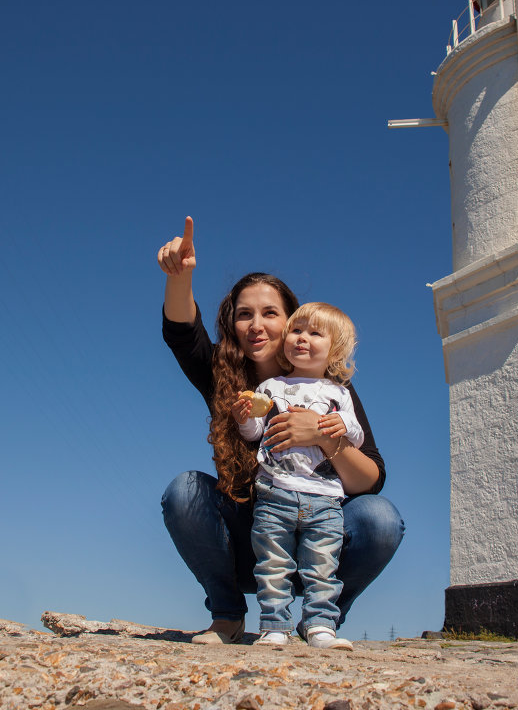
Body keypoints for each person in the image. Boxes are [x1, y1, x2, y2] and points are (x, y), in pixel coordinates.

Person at [157, 216, 404, 645]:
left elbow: (371, 480)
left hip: (316, 534)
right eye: (244, 315)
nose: (257, 325)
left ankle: (320, 621)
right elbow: (182, 334)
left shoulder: (332, 388)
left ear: (293, 321)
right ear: (231, 324)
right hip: (247, 537)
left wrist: (326, 437)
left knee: (380, 520)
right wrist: (182, 275)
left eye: (271, 313)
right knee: (184, 490)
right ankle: (228, 615)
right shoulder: (222, 374)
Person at [236, 302, 362, 650]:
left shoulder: (340, 393)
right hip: (274, 491)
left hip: (324, 496)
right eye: (296, 330)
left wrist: (344, 426)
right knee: (273, 563)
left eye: (315, 333)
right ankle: (274, 625)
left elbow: (357, 435)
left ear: (334, 350)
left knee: (322, 564)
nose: (302, 338)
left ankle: (321, 624)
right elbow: (252, 433)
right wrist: (244, 416)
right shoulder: (270, 385)